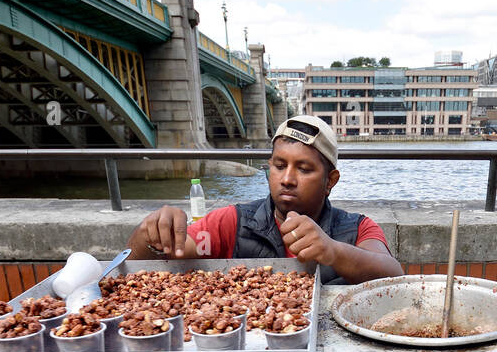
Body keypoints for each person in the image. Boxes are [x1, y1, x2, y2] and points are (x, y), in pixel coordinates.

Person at [126, 115, 403, 285]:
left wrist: (333, 251)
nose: (287, 179)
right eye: (279, 165)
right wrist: (149, 235)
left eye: (304, 169)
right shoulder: (233, 222)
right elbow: (168, 254)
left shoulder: (357, 228)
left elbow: (393, 275)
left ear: (330, 181)